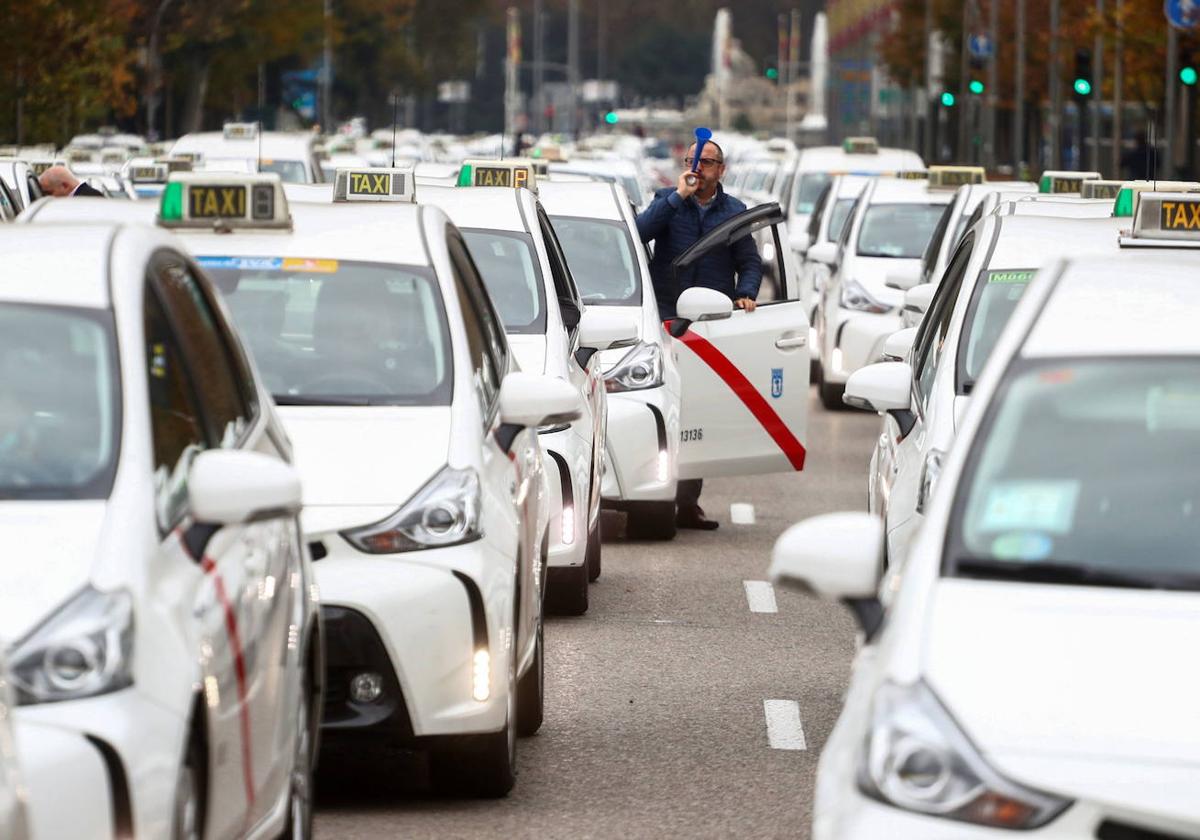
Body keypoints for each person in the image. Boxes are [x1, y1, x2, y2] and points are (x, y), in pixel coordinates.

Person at [635, 137, 762, 531]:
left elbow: (750, 262)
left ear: (721, 170)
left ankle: (688, 501)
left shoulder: (734, 211)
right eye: (693, 160)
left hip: (708, 325)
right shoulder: (666, 201)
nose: (698, 168)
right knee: (663, 408)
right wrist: (676, 197)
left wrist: (746, 294)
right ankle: (652, 493)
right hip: (664, 320)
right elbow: (639, 232)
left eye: (706, 163)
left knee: (696, 413)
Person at [38, 165, 103, 197]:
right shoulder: (87, 195)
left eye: (49, 193)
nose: (46, 197)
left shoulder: (90, 198)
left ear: (65, 186)